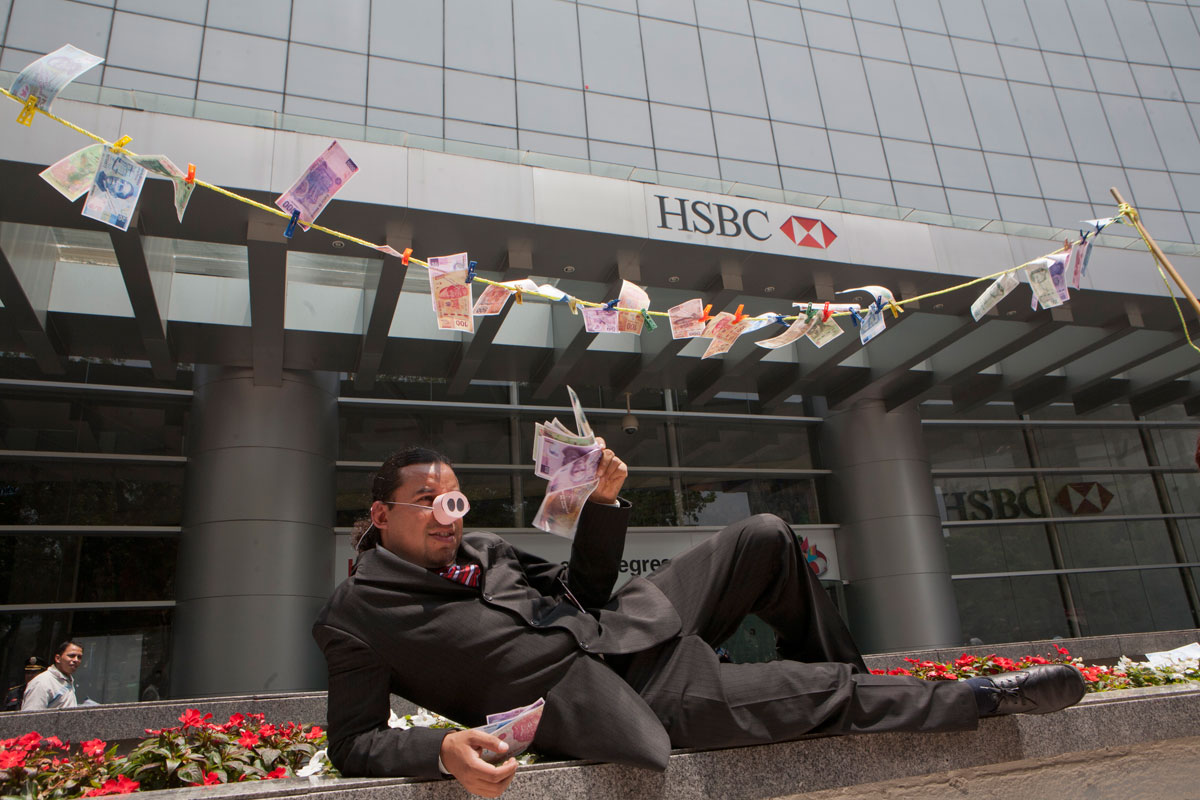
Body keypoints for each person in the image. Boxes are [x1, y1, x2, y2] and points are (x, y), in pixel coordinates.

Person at [314, 444, 1084, 797]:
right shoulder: (356, 616)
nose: (448, 516)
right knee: (818, 693)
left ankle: (852, 680)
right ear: (381, 515)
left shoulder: (483, 548)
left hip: (629, 624)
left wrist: (603, 505)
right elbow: (353, 743)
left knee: (766, 535)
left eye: (454, 500)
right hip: (628, 697)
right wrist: (441, 750)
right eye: (430, 502)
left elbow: (583, 589)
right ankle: (984, 697)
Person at [22, 641, 83, 711]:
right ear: (58, 658)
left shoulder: (67, 680)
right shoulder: (42, 682)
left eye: (79, 657)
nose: (76, 660)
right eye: (71, 656)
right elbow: (31, 715)